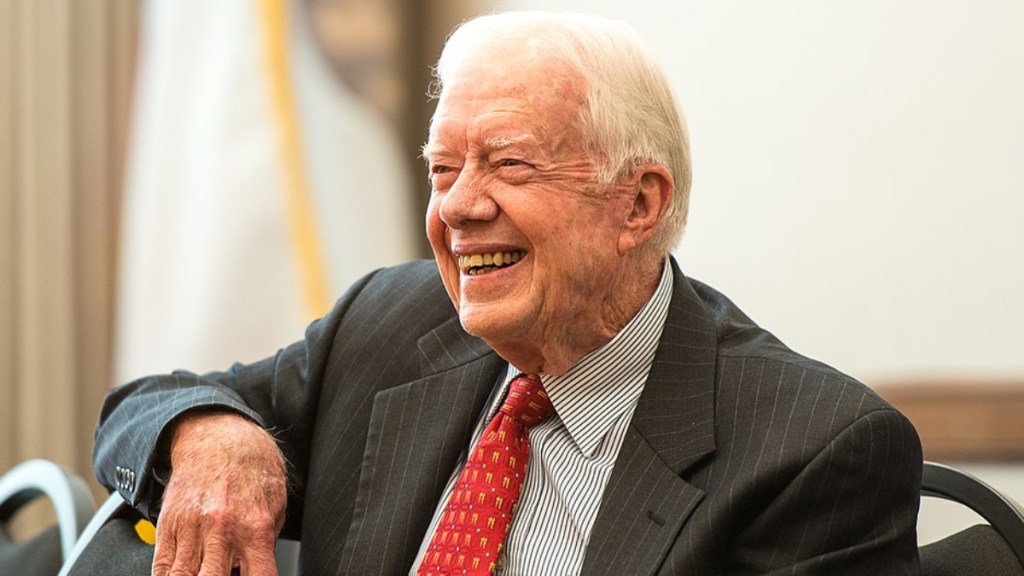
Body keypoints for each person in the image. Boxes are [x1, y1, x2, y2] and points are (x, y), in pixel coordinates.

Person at [93, 11, 922, 576]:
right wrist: (215, 436)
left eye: (509, 164)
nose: (456, 207)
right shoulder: (388, 324)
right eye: (443, 169)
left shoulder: (816, 453)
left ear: (639, 203)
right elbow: (144, 407)